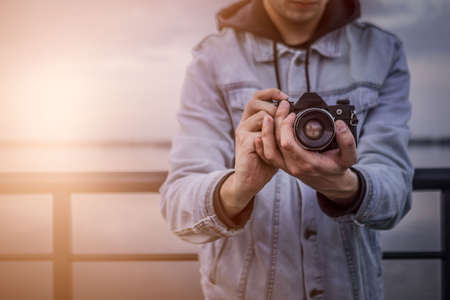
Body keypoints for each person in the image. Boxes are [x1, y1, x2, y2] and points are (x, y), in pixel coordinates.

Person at [160, 0, 413, 299]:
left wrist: (345, 188)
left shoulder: (382, 51)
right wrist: (238, 188)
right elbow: (178, 209)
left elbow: (395, 195)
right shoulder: (213, 59)